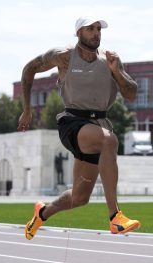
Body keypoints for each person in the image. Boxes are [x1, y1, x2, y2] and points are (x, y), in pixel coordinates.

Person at [18, 16, 141, 240]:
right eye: (90, 29)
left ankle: (41, 213)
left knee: (79, 197)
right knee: (110, 140)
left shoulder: (111, 59)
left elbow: (131, 93)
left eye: (98, 29)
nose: (96, 33)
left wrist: (118, 72)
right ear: (78, 33)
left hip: (98, 124)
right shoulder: (64, 57)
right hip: (72, 122)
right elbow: (29, 70)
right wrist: (27, 110)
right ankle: (115, 217)